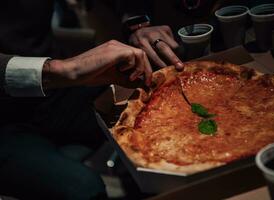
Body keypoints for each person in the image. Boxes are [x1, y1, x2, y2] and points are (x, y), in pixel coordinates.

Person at [0, 1, 183, 200]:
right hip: (6, 119)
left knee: (157, 105)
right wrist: (61, 70)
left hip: (52, 93)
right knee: (84, 189)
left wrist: (136, 24)